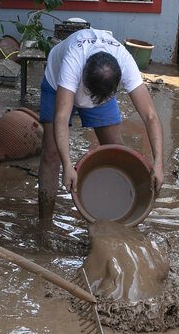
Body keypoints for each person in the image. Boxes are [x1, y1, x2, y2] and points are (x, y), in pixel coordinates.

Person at [37, 28, 165, 223]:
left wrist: (158, 163)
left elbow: (150, 115)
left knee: (116, 149)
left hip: (100, 88)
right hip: (57, 85)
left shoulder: (124, 61)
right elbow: (61, 117)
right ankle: (44, 224)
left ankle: (117, 220)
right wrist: (68, 165)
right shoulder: (72, 62)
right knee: (51, 154)